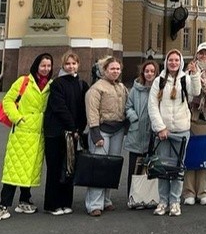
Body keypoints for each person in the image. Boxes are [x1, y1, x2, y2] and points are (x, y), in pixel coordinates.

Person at [0, 53, 53, 222]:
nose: (45, 69)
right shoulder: (24, 81)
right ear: (36, 66)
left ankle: (25, 199)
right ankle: (3, 205)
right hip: (22, 131)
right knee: (14, 168)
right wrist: (17, 118)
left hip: (38, 133)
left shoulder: (50, 85)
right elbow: (8, 100)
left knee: (29, 168)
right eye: (43, 65)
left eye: (48, 66)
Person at [148, 50, 199, 217]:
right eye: (171, 60)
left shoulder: (185, 79)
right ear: (166, 62)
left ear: (181, 62)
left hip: (182, 129)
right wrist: (160, 127)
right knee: (162, 167)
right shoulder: (158, 81)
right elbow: (153, 106)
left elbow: (196, 92)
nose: (173, 63)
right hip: (164, 131)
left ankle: (175, 201)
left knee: (178, 168)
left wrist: (195, 73)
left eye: (177, 60)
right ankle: (163, 201)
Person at [43, 51, 89, 215]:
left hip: (73, 133)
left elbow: (83, 109)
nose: (71, 66)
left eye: (74, 63)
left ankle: (66, 202)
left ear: (78, 65)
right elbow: (59, 107)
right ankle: (52, 204)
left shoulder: (82, 84)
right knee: (55, 168)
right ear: (63, 65)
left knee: (69, 167)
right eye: (68, 64)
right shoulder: (57, 84)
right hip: (56, 133)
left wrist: (80, 128)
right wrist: (72, 126)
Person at [84, 57, 128, 217]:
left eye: (117, 69)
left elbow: (126, 107)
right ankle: (94, 204)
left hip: (117, 130)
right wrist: (95, 134)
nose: (115, 71)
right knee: (99, 167)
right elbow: (92, 111)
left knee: (111, 167)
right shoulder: (96, 88)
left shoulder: (121, 87)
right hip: (101, 131)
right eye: (112, 69)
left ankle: (106, 200)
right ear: (105, 70)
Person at [183, 42, 206, 206]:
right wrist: (197, 79)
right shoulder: (188, 70)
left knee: (203, 156)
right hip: (190, 116)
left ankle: (203, 191)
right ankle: (189, 192)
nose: (204, 57)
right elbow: (188, 90)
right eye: (201, 54)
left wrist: (200, 80)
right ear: (196, 55)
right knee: (190, 155)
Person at [124, 59, 159, 204]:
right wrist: (134, 118)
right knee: (134, 167)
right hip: (137, 133)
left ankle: (149, 197)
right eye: (147, 71)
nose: (149, 74)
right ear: (143, 73)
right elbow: (128, 106)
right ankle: (133, 196)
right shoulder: (135, 89)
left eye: (152, 71)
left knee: (152, 167)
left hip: (153, 134)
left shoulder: (159, 89)